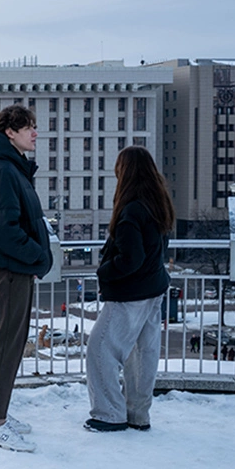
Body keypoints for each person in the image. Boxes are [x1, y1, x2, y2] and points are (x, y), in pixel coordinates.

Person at [0, 104, 52, 452]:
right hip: (10, 268)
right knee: (7, 345)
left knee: (12, 343)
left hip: (13, 266)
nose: (35, 133)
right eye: (29, 128)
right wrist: (36, 255)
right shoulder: (2, 170)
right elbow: (2, 229)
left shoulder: (9, 166)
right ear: (10, 133)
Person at [85, 146, 174, 434]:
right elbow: (156, 250)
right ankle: (137, 414)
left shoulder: (130, 210)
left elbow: (130, 259)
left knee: (100, 350)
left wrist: (103, 271)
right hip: (153, 289)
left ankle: (109, 414)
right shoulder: (158, 203)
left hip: (130, 294)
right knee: (142, 355)